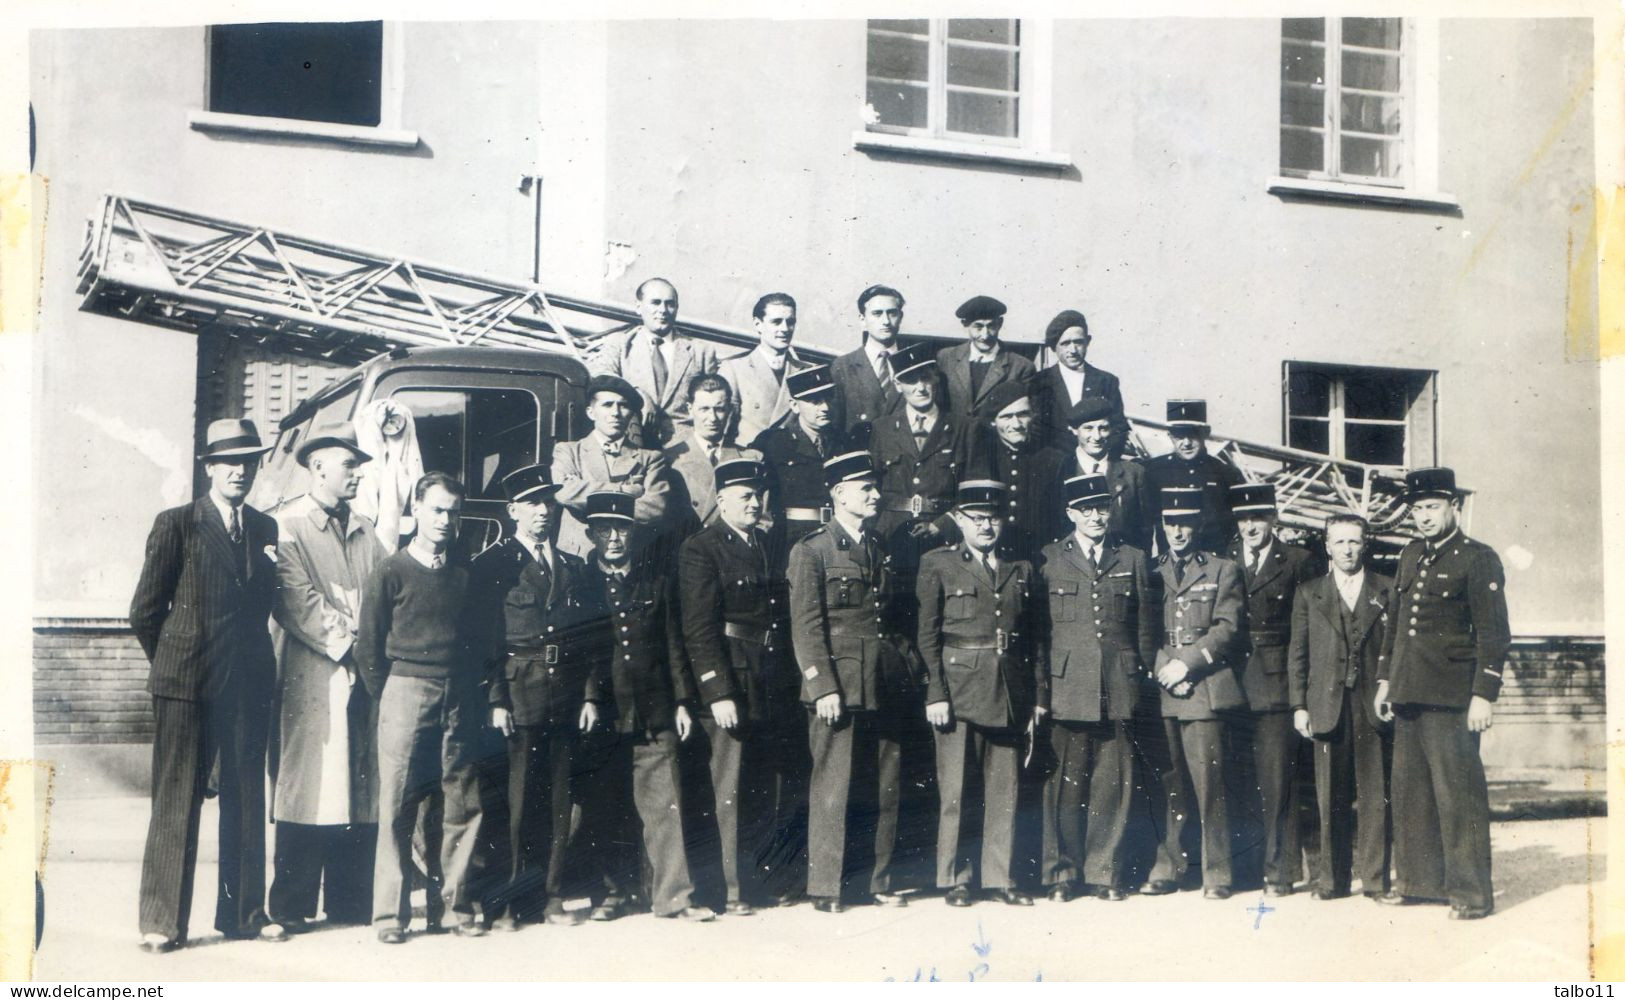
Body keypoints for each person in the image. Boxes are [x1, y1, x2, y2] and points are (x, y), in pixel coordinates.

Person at [128, 418, 286, 952]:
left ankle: (244, 913)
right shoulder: (177, 524)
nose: (239, 470)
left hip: (247, 683)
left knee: (245, 797)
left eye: (248, 461)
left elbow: (263, 606)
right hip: (187, 684)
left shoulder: (265, 528)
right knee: (178, 800)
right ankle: (162, 922)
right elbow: (145, 611)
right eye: (228, 461)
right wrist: (175, 662)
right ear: (210, 468)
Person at [788, 451, 922, 913]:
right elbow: (806, 626)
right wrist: (822, 685)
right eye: (864, 488)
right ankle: (827, 886)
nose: (875, 494)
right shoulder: (812, 550)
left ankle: (875, 880)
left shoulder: (876, 546)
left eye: (874, 486)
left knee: (884, 783)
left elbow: (886, 620)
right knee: (834, 785)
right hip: (839, 686)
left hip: (881, 681)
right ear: (838, 494)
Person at [573, 492, 716, 922]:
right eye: (604, 530)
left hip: (655, 707)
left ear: (632, 532)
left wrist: (683, 702)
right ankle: (611, 895)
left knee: (664, 806)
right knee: (606, 807)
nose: (613, 538)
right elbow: (583, 649)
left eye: (621, 528)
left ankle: (674, 897)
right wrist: (588, 698)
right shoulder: (583, 584)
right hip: (606, 712)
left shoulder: (655, 580)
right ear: (591, 534)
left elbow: (674, 644)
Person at [357, 472, 486, 943]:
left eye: (453, 511)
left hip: (457, 694)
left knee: (459, 801)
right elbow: (368, 649)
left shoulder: (464, 572)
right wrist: (392, 697)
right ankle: (390, 916)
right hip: (406, 691)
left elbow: (475, 641)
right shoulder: (390, 570)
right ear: (416, 511)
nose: (445, 520)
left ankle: (451, 908)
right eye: (436, 509)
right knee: (398, 805)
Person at [1374, 467, 1509, 921]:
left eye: (1432, 507)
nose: (1424, 517)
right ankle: (1418, 882)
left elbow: (1494, 633)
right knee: (1411, 793)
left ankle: (1470, 894)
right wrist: (1384, 681)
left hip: (1452, 697)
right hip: (1409, 691)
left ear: (1455, 507)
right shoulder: (1411, 555)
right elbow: (1395, 624)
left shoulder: (1478, 558)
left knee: (1459, 797)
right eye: (1417, 510)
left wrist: (1484, 693)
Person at [467, 465, 596, 929]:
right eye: (533, 504)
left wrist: (589, 696)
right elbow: (484, 640)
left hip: (564, 693)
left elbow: (587, 640)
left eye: (549, 502)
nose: (544, 512)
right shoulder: (493, 565)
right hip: (519, 692)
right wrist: (496, 698)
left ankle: (551, 895)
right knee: (516, 804)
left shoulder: (572, 565)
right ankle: (506, 900)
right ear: (513, 511)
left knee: (560, 800)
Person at [267, 424, 384, 933]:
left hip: (361, 670)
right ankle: (291, 904)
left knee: (357, 782)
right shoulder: (287, 526)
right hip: (310, 671)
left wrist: (372, 646)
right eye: (348, 465)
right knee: (309, 782)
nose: (357, 473)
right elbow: (296, 600)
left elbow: (382, 591)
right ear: (318, 468)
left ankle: (350, 900)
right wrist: (354, 642)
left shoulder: (363, 528)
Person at [679, 459, 806, 914]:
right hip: (734, 677)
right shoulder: (703, 549)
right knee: (729, 788)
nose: (755, 503)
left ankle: (761, 879)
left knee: (766, 785)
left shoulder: (769, 545)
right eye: (745, 496)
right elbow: (699, 628)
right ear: (722, 501)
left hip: (772, 677)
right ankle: (731, 889)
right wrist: (717, 692)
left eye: (758, 495)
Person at [1035, 474, 1159, 903]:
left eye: (1102, 508)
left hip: (1118, 687)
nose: (1095, 516)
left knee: (1113, 785)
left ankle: (1104, 872)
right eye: (1086, 509)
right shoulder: (1049, 559)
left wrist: (1138, 680)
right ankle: (1061, 874)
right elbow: (1040, 635)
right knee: (1065, 787)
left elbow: (1145, 629)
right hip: (1068, 687)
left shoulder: (1133, 558)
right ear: (1071, 514)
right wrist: (1042, 691)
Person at [917, 480, 1041, 908]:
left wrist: (1032, 695)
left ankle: (1000, 878)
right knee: (957, 790)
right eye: (976, 518)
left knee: (1004, 789)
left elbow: (1031, 638)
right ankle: (957, 878)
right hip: (958, 689)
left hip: (1006, 689)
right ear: (960, 521)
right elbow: (927, 636)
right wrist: (935, 692)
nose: (986, 526)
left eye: (993, 518)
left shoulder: (1019, 568)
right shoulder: (939, 564)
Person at [1135, 488, 1246, 900]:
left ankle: (1217, 874)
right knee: (1170, 784)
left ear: (1197, 525)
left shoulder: (1222, 569)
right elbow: (1144, 627)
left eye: (1184, 523)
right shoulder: (1150, 569)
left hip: (1203, 689)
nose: (1176, 531)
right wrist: (1166, 668)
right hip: (1164, 687)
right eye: (1169, 524)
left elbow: (1227, 628)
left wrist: (1188, 665)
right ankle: (1169, 867)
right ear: (1161, 527)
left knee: (1209, 783)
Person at [1288, 513, 1395, 901]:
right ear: (1327, 546)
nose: (1347, 549)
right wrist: (1299, 705)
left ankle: (1376, 880)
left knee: (1373, 794)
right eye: (1339, 542)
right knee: (1329, 795)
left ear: (1364, 544)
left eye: (1354, 541)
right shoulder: (1309, 593)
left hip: (1371, 706)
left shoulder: (1385, 589)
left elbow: (1394, 649)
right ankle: (1331, 881)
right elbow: (1297, 653)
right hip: (1325, 706)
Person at [1225, 483, 1320, 896]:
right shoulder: (1223, 559)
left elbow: (1309, 628)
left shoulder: (1298, 561)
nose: (1251, 526)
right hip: (1229, 682)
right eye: (1244, 518)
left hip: (1276, 682)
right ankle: (1246, 868)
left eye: (1259, 518)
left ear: (1273, 519)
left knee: (1277, 780)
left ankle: (1281, 871)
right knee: (1239, 779)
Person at [870, 342, 972, 583]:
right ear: (897, 384)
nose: (920, 387)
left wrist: (943, 524)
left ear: (935, 379)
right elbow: (873, 485)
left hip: (943, 535)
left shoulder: (963, 428)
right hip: (891, 534)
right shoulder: (882, 429)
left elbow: (972, 490)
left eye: (925, 378)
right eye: (910, 380)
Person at [586, 277, 720, 447]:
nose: (663, 310)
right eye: (655, 303)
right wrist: (638, 395)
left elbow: (714, 400)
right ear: (638, 307)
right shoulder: (620, 343)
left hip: (685, 449)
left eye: (670, 304)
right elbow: (601, 375)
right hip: (633, 444)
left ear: (677, 308)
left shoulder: (700, 351)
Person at [552, 374, 671, 558]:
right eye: (607, 405)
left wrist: (587, 495)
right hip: (578, 556)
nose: (615, 413)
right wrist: (628, 491)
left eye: (623, 405)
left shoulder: (650, 459)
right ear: (591, 412)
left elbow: (655, 508)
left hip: (629, 558)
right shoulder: (568, 451)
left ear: (631, 414)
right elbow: (564, 492)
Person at [966, 382, 1068, 563]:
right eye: (1006, 417)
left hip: (1040, 557)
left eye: (1023, 415)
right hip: (995, 558)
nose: (1016, 424)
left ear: (1033, 416)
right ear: (993, 421)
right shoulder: (982, 459)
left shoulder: (1054, 460)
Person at [752, 364, 849, 554]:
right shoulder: (774, 443)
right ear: (794, 405)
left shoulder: (843, 443)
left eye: (828, 398)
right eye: (815, 401)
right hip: (793, 540)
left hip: (837, 536)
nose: (825, 407)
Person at [664, 373, 763, 538]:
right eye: (704, 409)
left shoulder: (751, 458)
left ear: (730, 410)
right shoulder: (670, 458)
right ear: (690, 409)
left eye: (719, 409)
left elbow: (763, 520)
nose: (713, 418)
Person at [1142, 399, 1244, 555]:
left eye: (1193, 435)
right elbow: (1145, 524)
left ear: (1206, 433)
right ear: (1170, 436)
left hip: (1215, 564)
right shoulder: (1154, 471)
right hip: (1171, 568)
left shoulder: (1227, 474)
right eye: (1179, 436)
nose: (1186, 443)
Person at [1063, 397, 1154, 554]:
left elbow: (1145, 532)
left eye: (1103, 428)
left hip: (1122, 568)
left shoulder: (1133, 474)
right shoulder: (1061, 471)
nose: (1097, 436)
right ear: (1074, 430)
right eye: (1088, 428)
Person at [1031, 310, 1127, 453]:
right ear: (1053, 347)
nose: (1073, 350)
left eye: (1078, 342)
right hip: (1054, 465)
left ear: (1087, 342)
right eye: (1065, 343)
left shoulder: (1106, 381)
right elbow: (1036, 431)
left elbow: (1119, 428)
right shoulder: (1039, 382)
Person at [937, 295, 1036, 422]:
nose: (985, 335)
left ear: (1000, 324)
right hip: (954, 439)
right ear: (965, 325)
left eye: (991, 326)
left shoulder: (1021, 367)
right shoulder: (946, 358)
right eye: (978, 327)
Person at [719, 292, 799, 445]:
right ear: (758, 324)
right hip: (751, 461)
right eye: (776, 322)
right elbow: (723, 431)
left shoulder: (805, 372)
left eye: (790, 322)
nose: (785, 329)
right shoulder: (734, 369)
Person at [831, 284, 905, 434]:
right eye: (877, 314)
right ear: (862, 319)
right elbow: (835, 425)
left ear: (900, 317)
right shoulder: (843, 367)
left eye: (892, 313)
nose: (886, 321)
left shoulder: (913, 362)